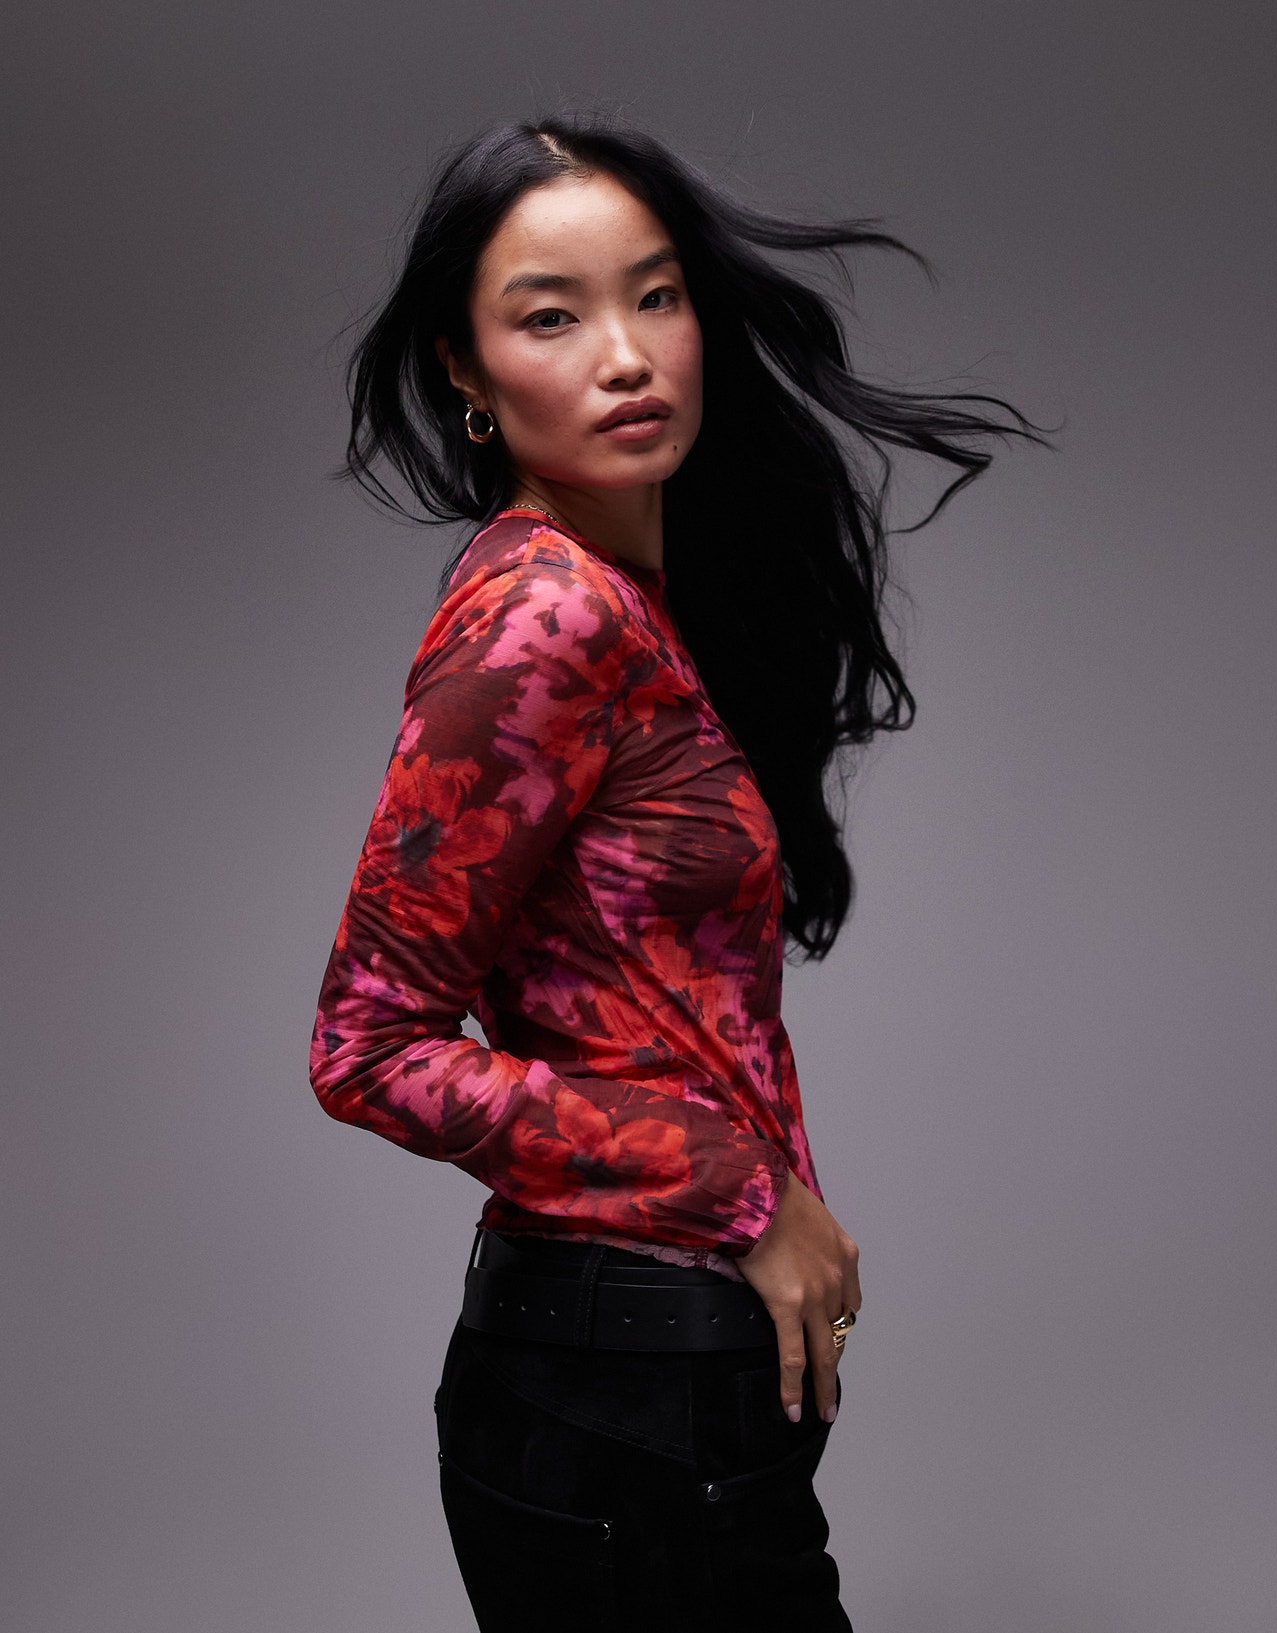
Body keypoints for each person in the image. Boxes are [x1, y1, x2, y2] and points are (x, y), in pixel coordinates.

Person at [309, 114, 1045, 1631]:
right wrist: (737, 1191)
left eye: (656, 296)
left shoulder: (628, 601)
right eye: (550, 317)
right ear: (464, 371)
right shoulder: (545, 619)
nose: (627, 355)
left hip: (657, 1386)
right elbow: (366, 1045)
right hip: (614, 1395)